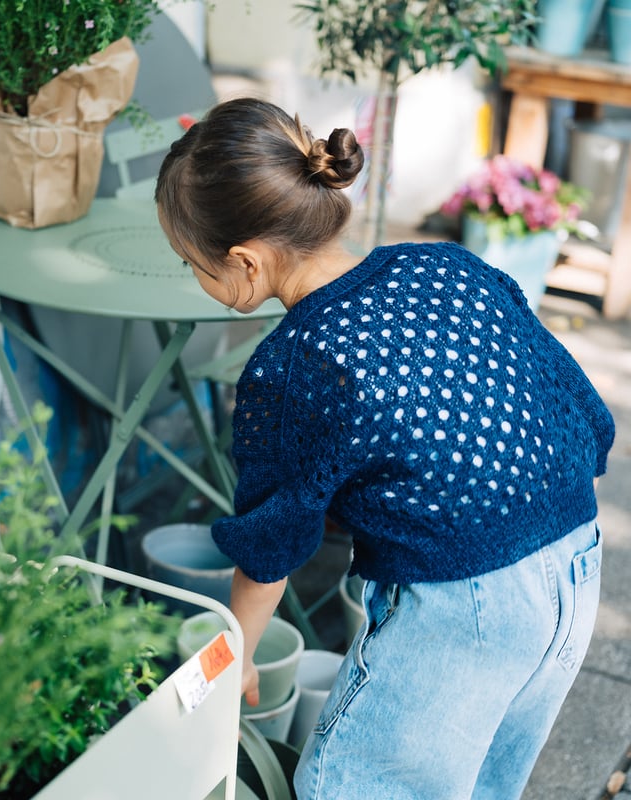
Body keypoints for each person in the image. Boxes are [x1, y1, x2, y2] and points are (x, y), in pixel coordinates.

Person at [155, 97, 614, 800]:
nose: (196, 279)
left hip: (467, 604)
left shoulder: (291, 364)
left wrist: (238, 651)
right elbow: (577, 405)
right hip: (576, 560)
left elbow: (272, 543)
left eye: (193, 263)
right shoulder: (443, 264)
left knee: (354, 785)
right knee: (483, 782)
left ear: (244, 262)